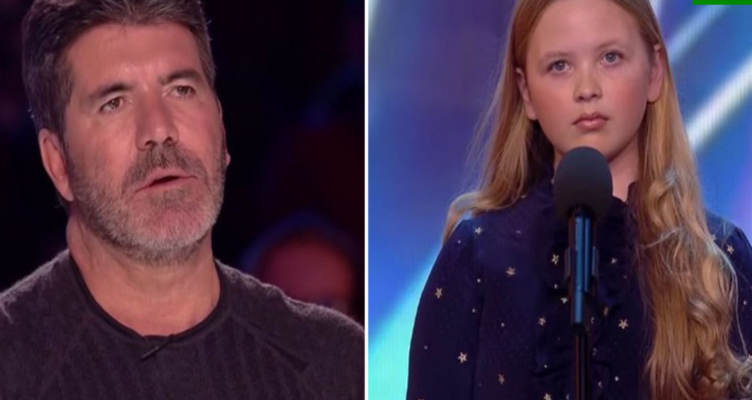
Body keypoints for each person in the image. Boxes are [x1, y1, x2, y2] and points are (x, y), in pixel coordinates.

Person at [0, 0, 363, 399]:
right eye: (114, 103)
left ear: (221, 129)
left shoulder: (337, 361)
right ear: (58, 164)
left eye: (181, 90)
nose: (159, 129)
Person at [406, 0, 752, 399]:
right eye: (560, 66)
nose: (587, 89)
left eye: (610, 57)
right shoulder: (479, 256)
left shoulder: (718, 258)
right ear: (525, 91)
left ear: (655, 71)